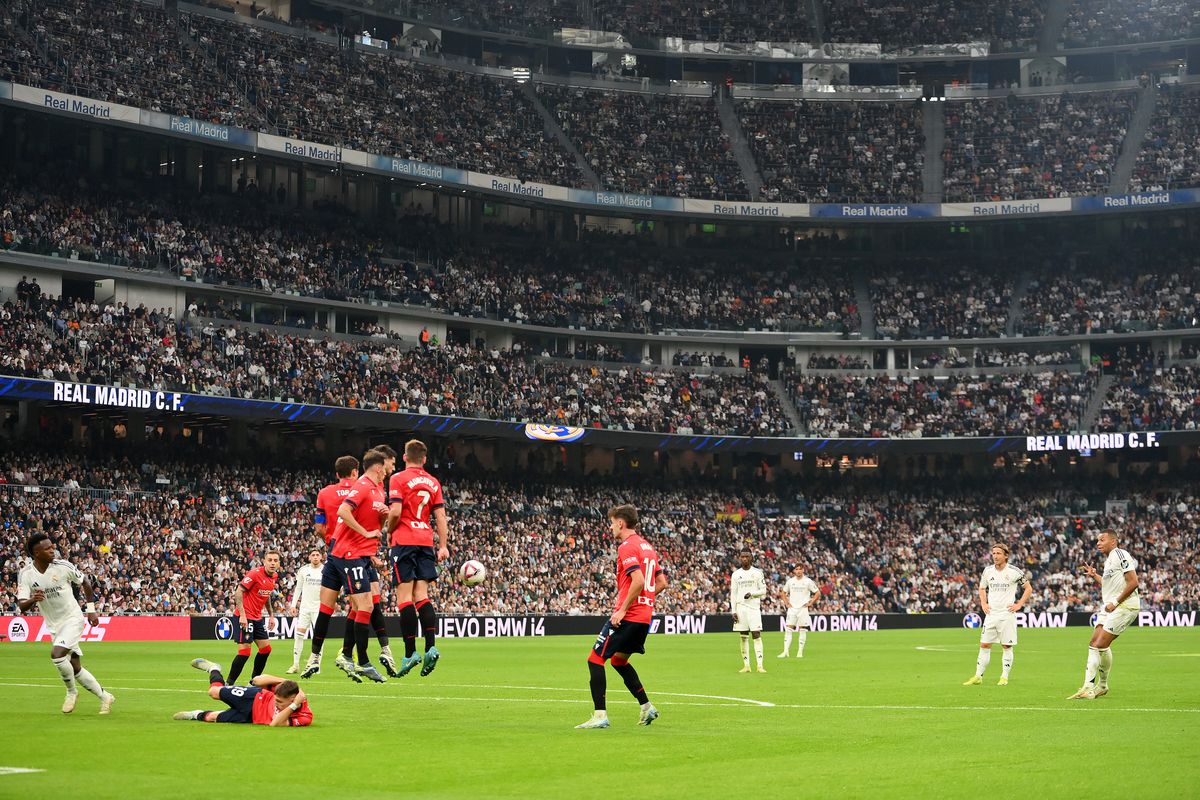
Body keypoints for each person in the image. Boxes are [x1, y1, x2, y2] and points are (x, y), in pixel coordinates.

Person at [576, 504, 668, 730]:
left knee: (595, 659)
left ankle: (600, 716)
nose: (610, 526)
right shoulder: (648, 547)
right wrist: (645, 599)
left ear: (620, 522)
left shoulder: (626, 547)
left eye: (611, 522)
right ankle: (647, 706)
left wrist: (624, 608)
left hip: (629, 616)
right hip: (644, 617)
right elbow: (662, 583)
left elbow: (637, 580)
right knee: (618, 660)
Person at [16, 533, 115, 714]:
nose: (53, 550)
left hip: (73, 618)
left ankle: (71, 692)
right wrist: (33, 599)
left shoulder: (63, 566)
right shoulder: (26, 574)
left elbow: (84, 582)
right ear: (36, 553)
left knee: (57, 654)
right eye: (47, 548)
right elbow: (22, 606)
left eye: (52, 546)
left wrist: (91, 609)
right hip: (54, 625)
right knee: (75, 666)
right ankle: (105, 697)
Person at [385, 439, 449, 677]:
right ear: (424, 459)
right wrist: (442, 546)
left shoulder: (398, 479)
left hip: (404, 540)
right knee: (422, 595)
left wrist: (389, 530)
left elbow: (396, 511)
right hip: (425, 540)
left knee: (404, 598)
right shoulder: (433, 482)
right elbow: (441, 517)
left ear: (404, 457)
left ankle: (410, 652)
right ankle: (431, 647)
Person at [330, 447, 394, 683]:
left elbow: (373, 521)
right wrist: (366, 533)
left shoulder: (378, 489)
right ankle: (363, 661)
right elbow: (343, 511)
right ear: (378, 467)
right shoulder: (364, 485)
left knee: (362, 607)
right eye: (387, 466)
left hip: (363, 555)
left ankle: (348, 655)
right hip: (349, 553)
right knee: (365, 607)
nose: (389, 471)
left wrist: (383, 518)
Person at [302, 455, 359, 679]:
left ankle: (314, 657)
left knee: (326, 608)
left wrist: (331, 540)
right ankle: (348, 654)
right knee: (361, 607)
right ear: (355, 472)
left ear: (337, 473)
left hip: (334, 553)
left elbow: (318, 527)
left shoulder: (325, 493)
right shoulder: (361, 491)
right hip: (355, 554)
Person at [1068, 530, 1140, 700]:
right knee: (1095, 643)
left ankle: (1089, 686)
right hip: (1109, 607)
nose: (1098, 543)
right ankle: (1100, 686)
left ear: (1113, 542)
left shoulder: (1120, 554)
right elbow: (1110, 584)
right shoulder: (1109, 561)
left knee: (1099, 644)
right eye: (1097, 540)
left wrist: (1115, 603)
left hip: (1124, 607)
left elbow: (1133, 582)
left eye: (1102, 540)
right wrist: (1095, 576)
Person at [963, 543, 1031, 686]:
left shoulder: (1014, 571)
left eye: (998, 553)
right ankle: (978, 676)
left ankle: (1004, 677)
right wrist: (983, 603)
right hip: (991, 614)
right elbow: (982, 588)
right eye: (993, 553)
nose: (995, 556)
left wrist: (1019, 604)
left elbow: (1028, 588)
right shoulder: (988, 571)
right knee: (984, 645)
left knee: (1006, 646)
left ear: (1006, 555)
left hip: (1007, 615)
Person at [173, 658, 312, 727]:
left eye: (280, 702)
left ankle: (193, 714)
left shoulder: (305, 715)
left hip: (251, 717)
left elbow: (274, 724)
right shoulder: (285, 689)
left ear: (293, 699)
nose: (276, 703)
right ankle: (214, 669)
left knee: (212, 718)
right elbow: (257, 680)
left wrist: (293, 706)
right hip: (252, 697)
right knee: (213, 692)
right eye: (276, 700)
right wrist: (284, 680)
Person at [227, 549, 281, 685]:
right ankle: (228, 684)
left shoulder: (274, 577)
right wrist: (243, 615)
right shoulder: (255, 574)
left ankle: (254, 682)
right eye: (270, 560)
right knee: (245, 652)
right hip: (245, 617)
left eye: (275, 560)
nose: (272, 563)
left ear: (279, 563)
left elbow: (266, 595)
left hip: (257, 618)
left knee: (266, 649)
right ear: (264, 561)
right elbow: (239, 591)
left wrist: (271, 615)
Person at [287, 549, 324, 674]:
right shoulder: (303, 570)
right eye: (313, 555)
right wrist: (293, 605)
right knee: (298, 635)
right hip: (305, 608)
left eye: (317, 555)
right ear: (309, 557)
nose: (315, 557)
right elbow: (298, 589)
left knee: (318, 637)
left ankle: (316, 664)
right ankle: (295, 664)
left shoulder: (325, 570)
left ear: (321, 557)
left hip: (319, 608)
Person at [731, 550, 767, 673]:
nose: (744, 559)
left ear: (751, 557)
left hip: (753, 608)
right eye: (742, 557)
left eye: (747, 556)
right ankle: (746, 665)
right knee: (743, 636)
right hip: (741, 608)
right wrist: (733, 610)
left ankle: (760, 665)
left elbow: (763, 591)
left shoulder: (757, 573)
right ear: (740, 558)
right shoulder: (736, 574)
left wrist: (752, 594)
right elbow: (733, 593)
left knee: (756, 634)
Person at [778, 564, 819, 658]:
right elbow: (783, 593)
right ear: (794, 571)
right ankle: (785, 652)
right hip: (792, 608)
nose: (798, 571)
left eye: (800, 569)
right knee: (788, 629)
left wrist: (811, 602)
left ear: (803, 570)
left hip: (803, 608)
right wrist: (787, 603)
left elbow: (817, 593)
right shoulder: (790, 581)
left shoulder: (808, 581)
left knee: (802, 630)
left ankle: (800, 652)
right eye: (797, 569)